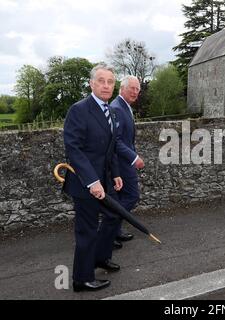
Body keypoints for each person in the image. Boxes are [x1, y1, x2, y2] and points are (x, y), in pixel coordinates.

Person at [63, 64, 123, 292]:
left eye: (110, 81)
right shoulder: (79, 110)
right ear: (91, 83)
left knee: (112, 216)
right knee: (86, 231)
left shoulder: (112, 111)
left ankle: (99, 257)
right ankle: (82, 278)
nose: (106, 85)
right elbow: (74, 149)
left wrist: (115, 173)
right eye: (101, 80)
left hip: (106, 180)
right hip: (84, 183)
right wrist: (92, 181)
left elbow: (111, 147)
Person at [110, 75, 144, 248]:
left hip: (123, 162)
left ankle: (114, 231)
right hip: (121, 164)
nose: (136, 92)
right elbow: (116, 141)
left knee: (121, 198)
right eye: (132, 88)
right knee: (132, 196)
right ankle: (108, 231)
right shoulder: (116, 108)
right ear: (122, 88)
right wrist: (134, 157)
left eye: (138, 89)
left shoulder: (125, 107)